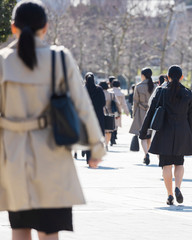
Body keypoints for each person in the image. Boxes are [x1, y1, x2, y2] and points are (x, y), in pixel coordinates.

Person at [0, 1, 105, 240]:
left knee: (19, 229)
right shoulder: (60, 58)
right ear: (45, 27)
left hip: (13, 158)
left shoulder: (2, 61)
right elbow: (83, 107)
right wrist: (95, 149)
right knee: (49, 230)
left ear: (12, 27)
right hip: (53, 155)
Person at [139, 65, 192, 205]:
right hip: (182, 131)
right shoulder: (188, 93)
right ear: (181, 77)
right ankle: (177, 188)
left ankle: (170, 195)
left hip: (164, 131)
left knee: (166, 165)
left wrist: (143, 130)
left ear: (168, 77)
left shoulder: (161, 91)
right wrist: (191, 135)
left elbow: (151, 111)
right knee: (179, 163)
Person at [129, 67, 155, 165]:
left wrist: (134, 114)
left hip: (141, 113)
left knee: (143, 136)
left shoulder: (138, 86)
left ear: (143, 75)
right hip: (151, 113)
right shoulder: (155, 87)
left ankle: (146, 154)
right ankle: (147, 153)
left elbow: (135, 102)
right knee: (149, 136)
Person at [82, 72, 106, 164]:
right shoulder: (99, 89)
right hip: (98, 116)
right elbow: (103, 103)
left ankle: (88, 157)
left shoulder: (82, 89)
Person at [99, 81, 122, 149]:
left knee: (101, 129)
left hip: (100, 113)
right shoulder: (111, 94)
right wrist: (119, 113)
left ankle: (102, 144)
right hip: (109, 114)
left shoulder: (98, 93)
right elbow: (117, 104)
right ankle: (106, 144)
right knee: (108, 131)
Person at [108, 80, 130, 146]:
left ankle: (112, 138)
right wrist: (127, 112)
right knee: (116, 124)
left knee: (111, 124)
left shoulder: (109, 92)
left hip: (110, 110)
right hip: (117, 110)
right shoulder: (121, 93)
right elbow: (124, 104)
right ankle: (114, 137)